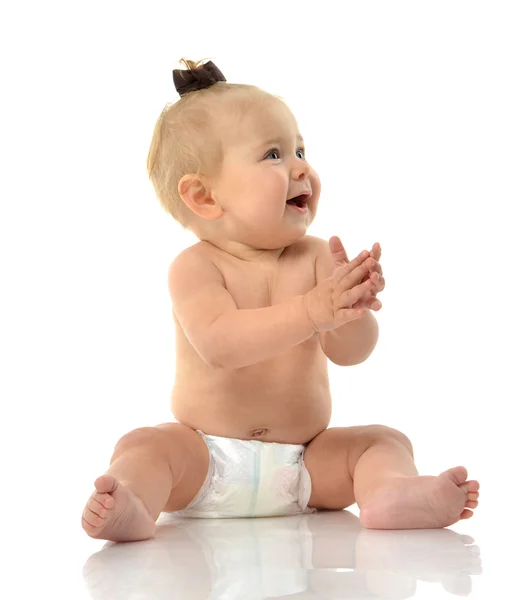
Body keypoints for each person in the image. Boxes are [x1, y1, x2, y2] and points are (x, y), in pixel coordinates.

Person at [81, 59, 479, 542]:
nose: (300, 167)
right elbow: (220, 344)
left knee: (383, 441)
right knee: (145, 445)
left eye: (300, 149)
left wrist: (350, 309)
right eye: (273, 155)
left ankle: (389, 492)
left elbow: (351, 354)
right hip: (204, 460)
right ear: (204, 197)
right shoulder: (196, 267)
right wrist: (314, 310)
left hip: (306, 464)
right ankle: (133, 501)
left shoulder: (315, 258)